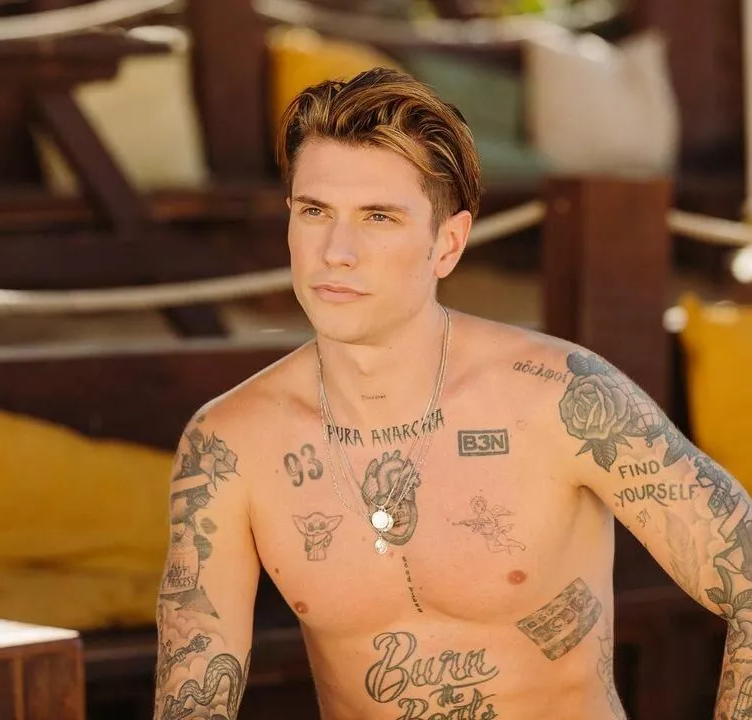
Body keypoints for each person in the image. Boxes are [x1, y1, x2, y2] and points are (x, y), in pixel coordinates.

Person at [153, 67, 750, 719]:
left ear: (447, 244)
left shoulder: (560, 399)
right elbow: (191, 699)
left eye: (378, 217)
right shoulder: (230, 443)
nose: (336, 251)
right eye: (314, 211)